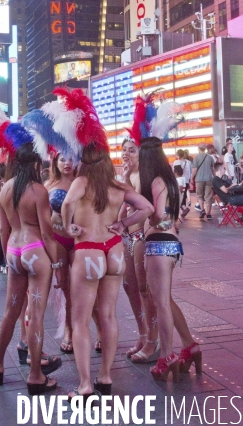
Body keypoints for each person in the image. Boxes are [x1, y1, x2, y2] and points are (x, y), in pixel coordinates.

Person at [63, 144, 154, 401]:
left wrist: (69, 225)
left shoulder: (81, 182)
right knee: (108, 315)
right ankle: (105, 377)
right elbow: (146, 208)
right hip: (113, 250)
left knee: (80, 320)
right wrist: (122, 223)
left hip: (88, 250)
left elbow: (68, 202)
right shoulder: (118, 187)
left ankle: (84, 386)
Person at [0, 140, 63, 393]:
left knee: (10, 311)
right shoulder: (38, 191)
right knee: (35, 316)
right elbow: (47, 234)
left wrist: (7, 256)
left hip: (13, 251)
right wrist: (58, 263)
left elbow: (1, 229)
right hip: (35, 252)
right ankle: (35, 375)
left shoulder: (6, 189)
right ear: (34, 164)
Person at [133, 137, 201, 382]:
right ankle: (189, 346)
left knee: (160, 302)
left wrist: (144, 221)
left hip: (160, 243)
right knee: (165, 300)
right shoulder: (169, 179)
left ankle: (167, 356)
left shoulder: (157, 181)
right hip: (169, 244)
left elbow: (159, 214)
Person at [120, 138, 159, 363]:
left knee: (145, 289)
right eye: (124, 150)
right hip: (127, 236)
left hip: (142, 236)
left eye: (132, 151)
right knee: (129, 286)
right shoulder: (126, 176)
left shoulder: (146, 176)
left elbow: (146, 208)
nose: (127, 154)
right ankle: (143, 334)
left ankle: (153, 339)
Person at [45, 154, 76, 354]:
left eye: (71, 159)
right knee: (65, 286)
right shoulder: (48, 185)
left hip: (80, 240)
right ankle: (68, 329)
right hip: (58, 239)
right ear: (55, 162)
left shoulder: (83, 182)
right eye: (62, 159)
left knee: (87, 286)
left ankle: (100, 330)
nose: (67, 163)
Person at [190, 142, 215, 220]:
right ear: (205, 149)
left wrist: (191, 178)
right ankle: (209, 214)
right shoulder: (210, 157)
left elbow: (195, 169)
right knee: (208, 197)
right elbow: (212, 169)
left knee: (200, 196)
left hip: (199, 179)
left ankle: (202, 210)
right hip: (208, 178)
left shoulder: (196, 157)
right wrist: (215, 177)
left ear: (198, 149)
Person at [173, 149, 191, 216]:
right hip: (186, 180)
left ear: (178, 155)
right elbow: (190, 172)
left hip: (179, 180)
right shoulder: (188, 162)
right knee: (183, 195)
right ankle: (183, 208)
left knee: (178, 195)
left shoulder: (176, 162)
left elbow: (175, 171)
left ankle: (183, 208)